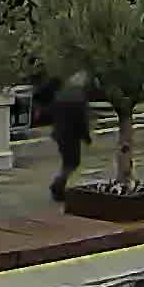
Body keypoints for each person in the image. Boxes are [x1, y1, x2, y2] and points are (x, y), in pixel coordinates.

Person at [39, 70, 95, 201]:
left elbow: (50, 112)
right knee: (72, 162)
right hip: (72, 135)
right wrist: (86, 137)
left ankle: (59, 186)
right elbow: (82, 119)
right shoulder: (79, 97)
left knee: (67, 161)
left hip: (60, 133)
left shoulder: (61, 94)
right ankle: (58, 185)